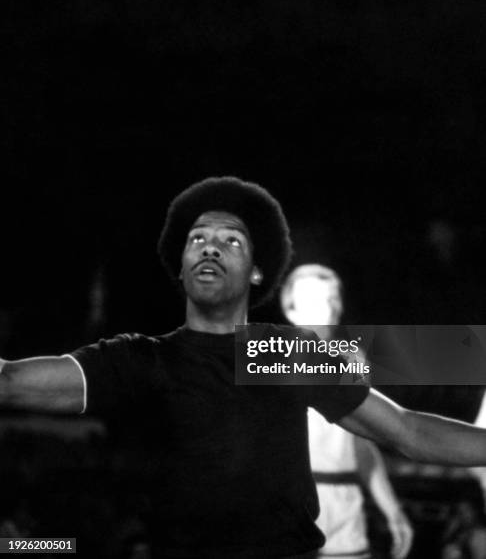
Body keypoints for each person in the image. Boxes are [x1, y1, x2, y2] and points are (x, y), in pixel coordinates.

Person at [2, 176, 486, 558]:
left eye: (230, 241)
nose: (210, 247)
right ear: (182, 262)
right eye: (198, 239)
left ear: (258, 270)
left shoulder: (283, 354)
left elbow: (405, 430)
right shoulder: (143, 360)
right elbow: (9, 381)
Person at [280, 264, 413, 559]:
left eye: (330, 300)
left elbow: (360, 445)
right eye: (314, 301)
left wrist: (392, 510)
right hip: (290, 510)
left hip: (345, 510)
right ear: (292, 310)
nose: (325, 310)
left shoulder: (353, 360)